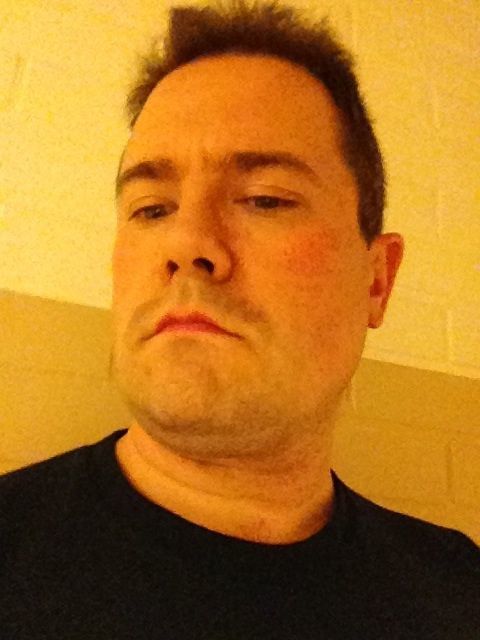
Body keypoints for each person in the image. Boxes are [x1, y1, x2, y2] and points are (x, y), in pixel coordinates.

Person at [1, 1, 478, 638]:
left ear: (377, 280)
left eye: (265, 199)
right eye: (151, 208)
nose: (186, 243)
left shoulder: (459, 589)